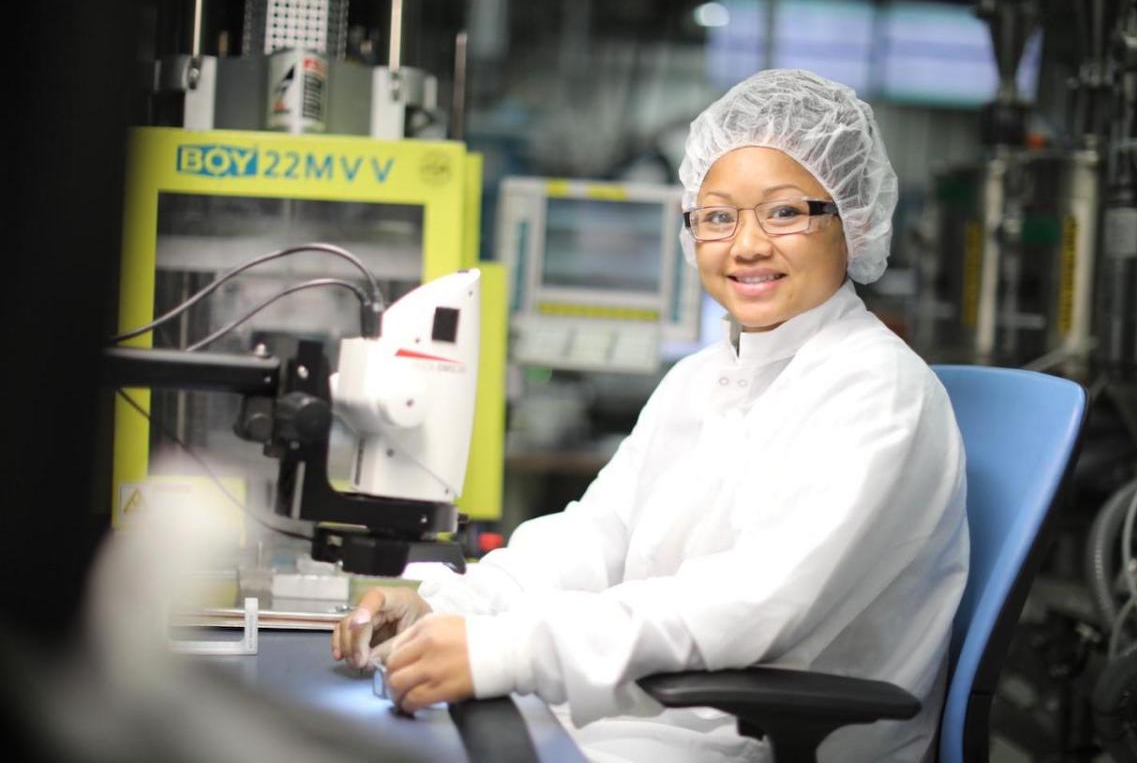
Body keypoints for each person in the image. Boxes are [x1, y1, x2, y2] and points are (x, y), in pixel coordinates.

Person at [331, 68, 969, 762]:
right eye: (718, 216)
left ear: (857, 220)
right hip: (651, 714)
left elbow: (748, 603)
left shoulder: (875, 390)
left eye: (784, 212)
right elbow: (597, 536)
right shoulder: (703, 377)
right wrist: (451, 606)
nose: (746, 245)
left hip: (750, 738)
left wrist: (509, 650)